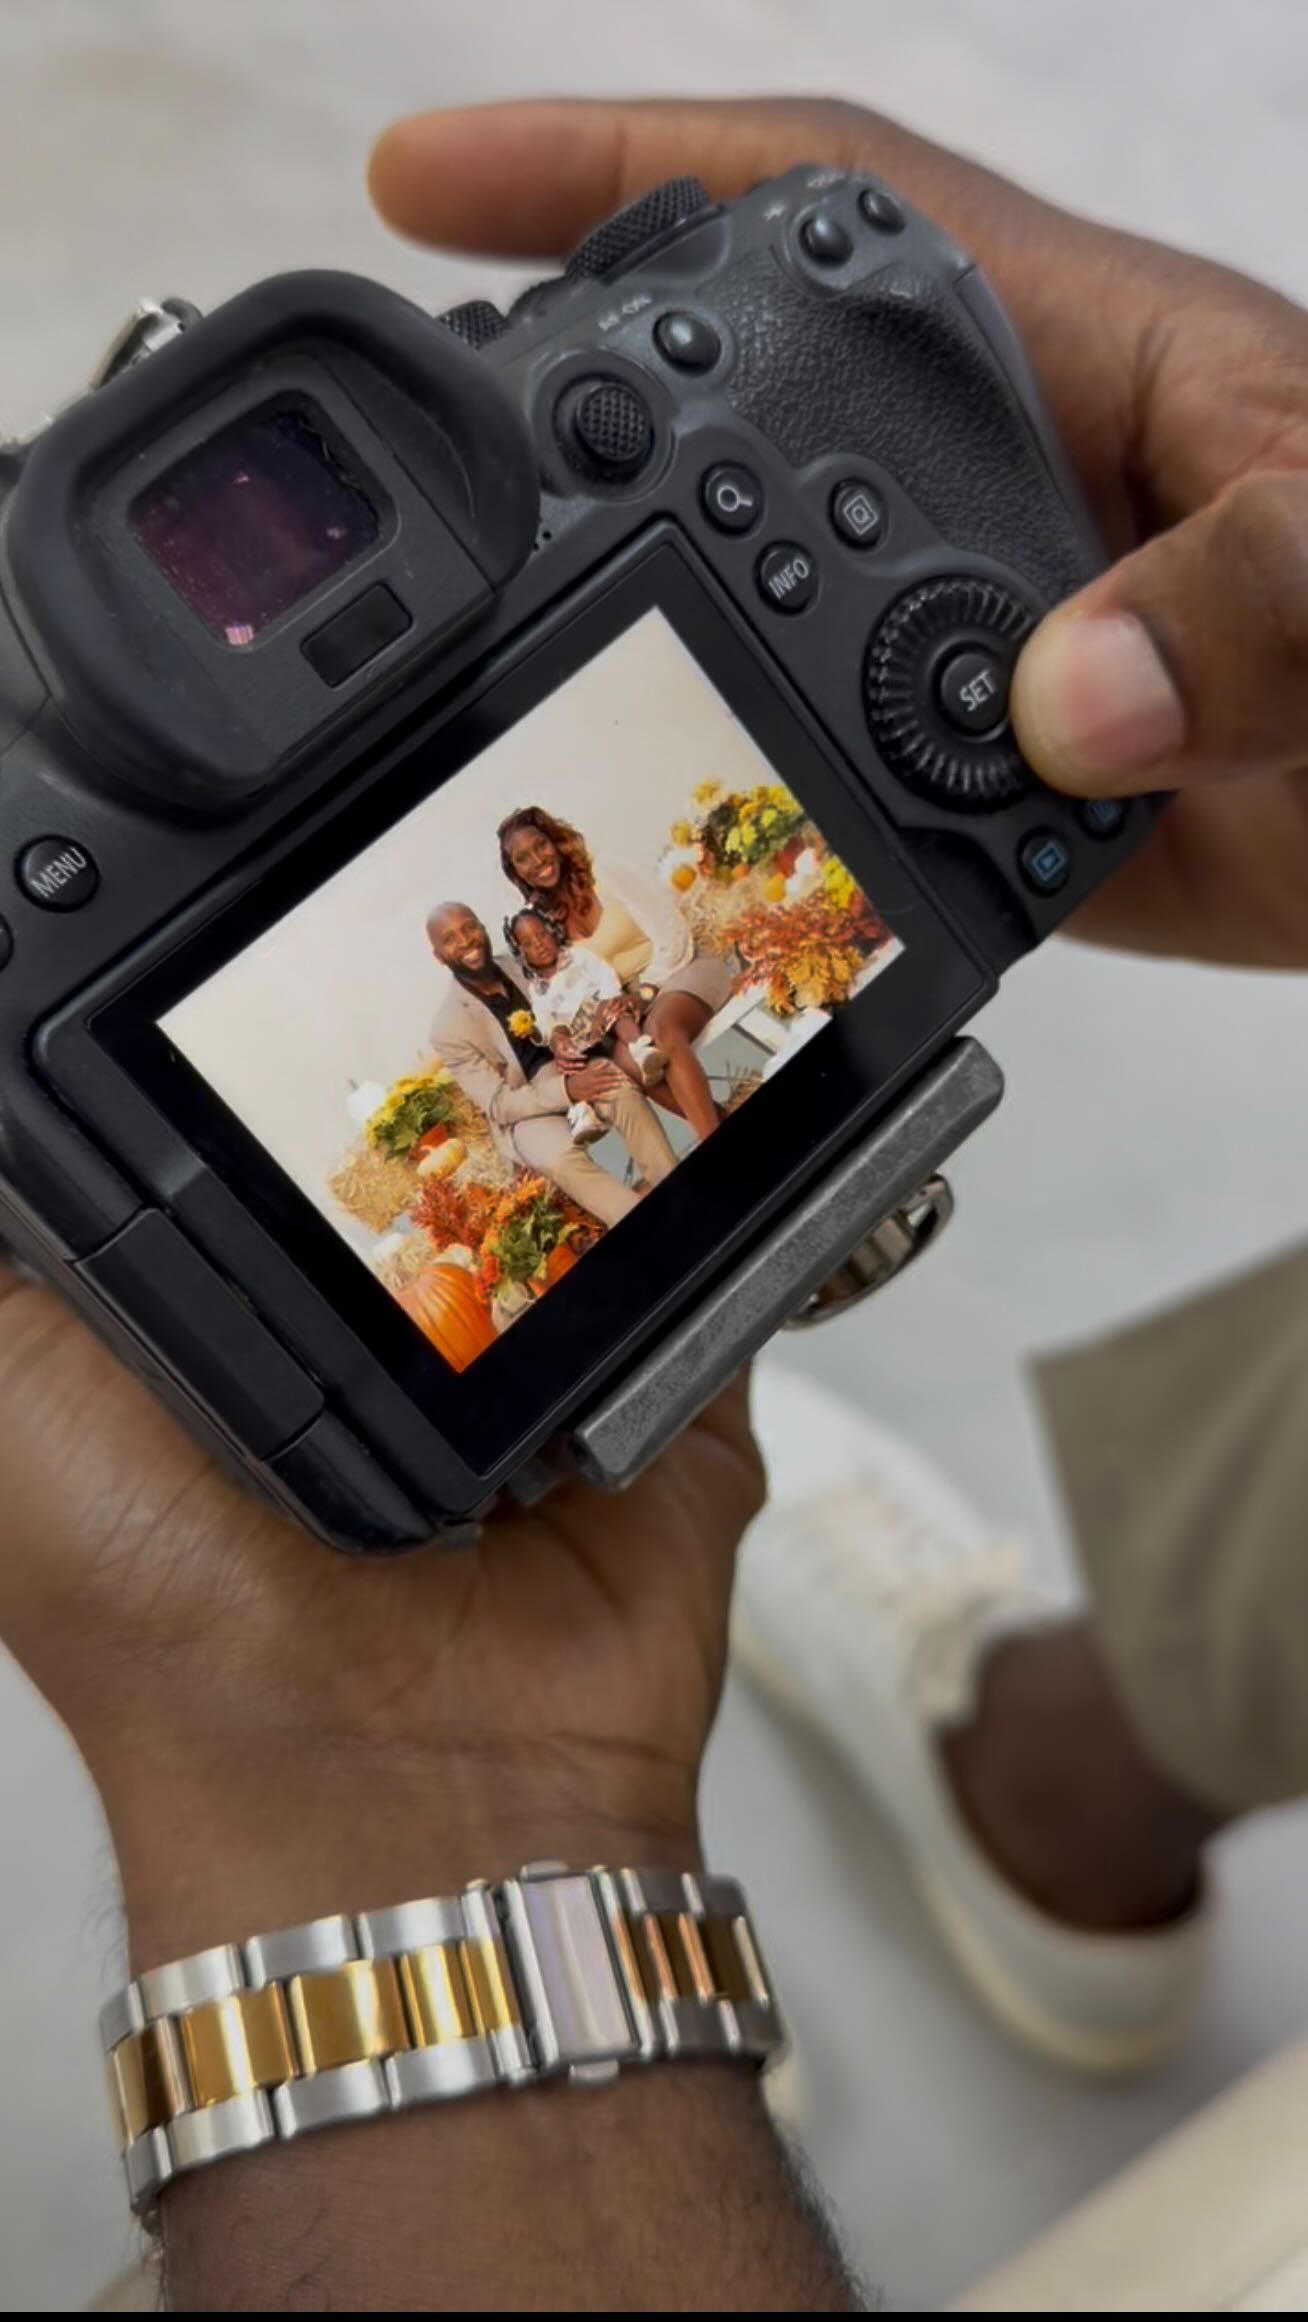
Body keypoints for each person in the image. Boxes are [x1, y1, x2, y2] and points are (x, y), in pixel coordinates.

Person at [1, 84, 1307, 2312]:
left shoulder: (597, 927)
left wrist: (425, 1851)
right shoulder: (479, 1011)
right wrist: (446, 1816)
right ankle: (1047, 1784)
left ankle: (1037, 1794)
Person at [427, 899, 677, 1222]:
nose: (465, 941)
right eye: (450, 939)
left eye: (469, 928)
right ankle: (652, 1225)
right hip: (525, 1110)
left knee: (621, 1091)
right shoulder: (448, 1029)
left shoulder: (525, 961)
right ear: (438, 956)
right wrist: (567, 1090)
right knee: (559, 1159)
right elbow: (500, 1104)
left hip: (574, 1062)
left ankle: (678, 1191)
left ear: (482, 928)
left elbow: (583, 986)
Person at [498, 804, 732, 1142]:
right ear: (516, 872)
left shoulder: (607, 873)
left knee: (660, 1032)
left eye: (540, 845)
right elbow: (557, 992)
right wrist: (560, 1037)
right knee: (630, 1063)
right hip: (624, 1008)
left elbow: (673, 936)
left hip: (681, 970)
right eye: (522, 858)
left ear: (556, 842)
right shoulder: (543, 925)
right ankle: (728, 1128)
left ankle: (716, 1144)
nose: (537, 860)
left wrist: (645, 992)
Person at [504, 905, 667, 1093]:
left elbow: (606, 977)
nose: (539, 944)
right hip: (580, 1033)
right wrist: (538, 1031)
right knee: (569, 1061)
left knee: (616, 1013)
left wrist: (604, 1004)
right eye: (528, 943)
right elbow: (546, 1022)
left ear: (552, 931)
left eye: (542, 935)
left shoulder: (578, 956)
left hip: (600, 1008)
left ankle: (641, 1049)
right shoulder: (537, 990)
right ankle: (584, 1110)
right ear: (521, 954)